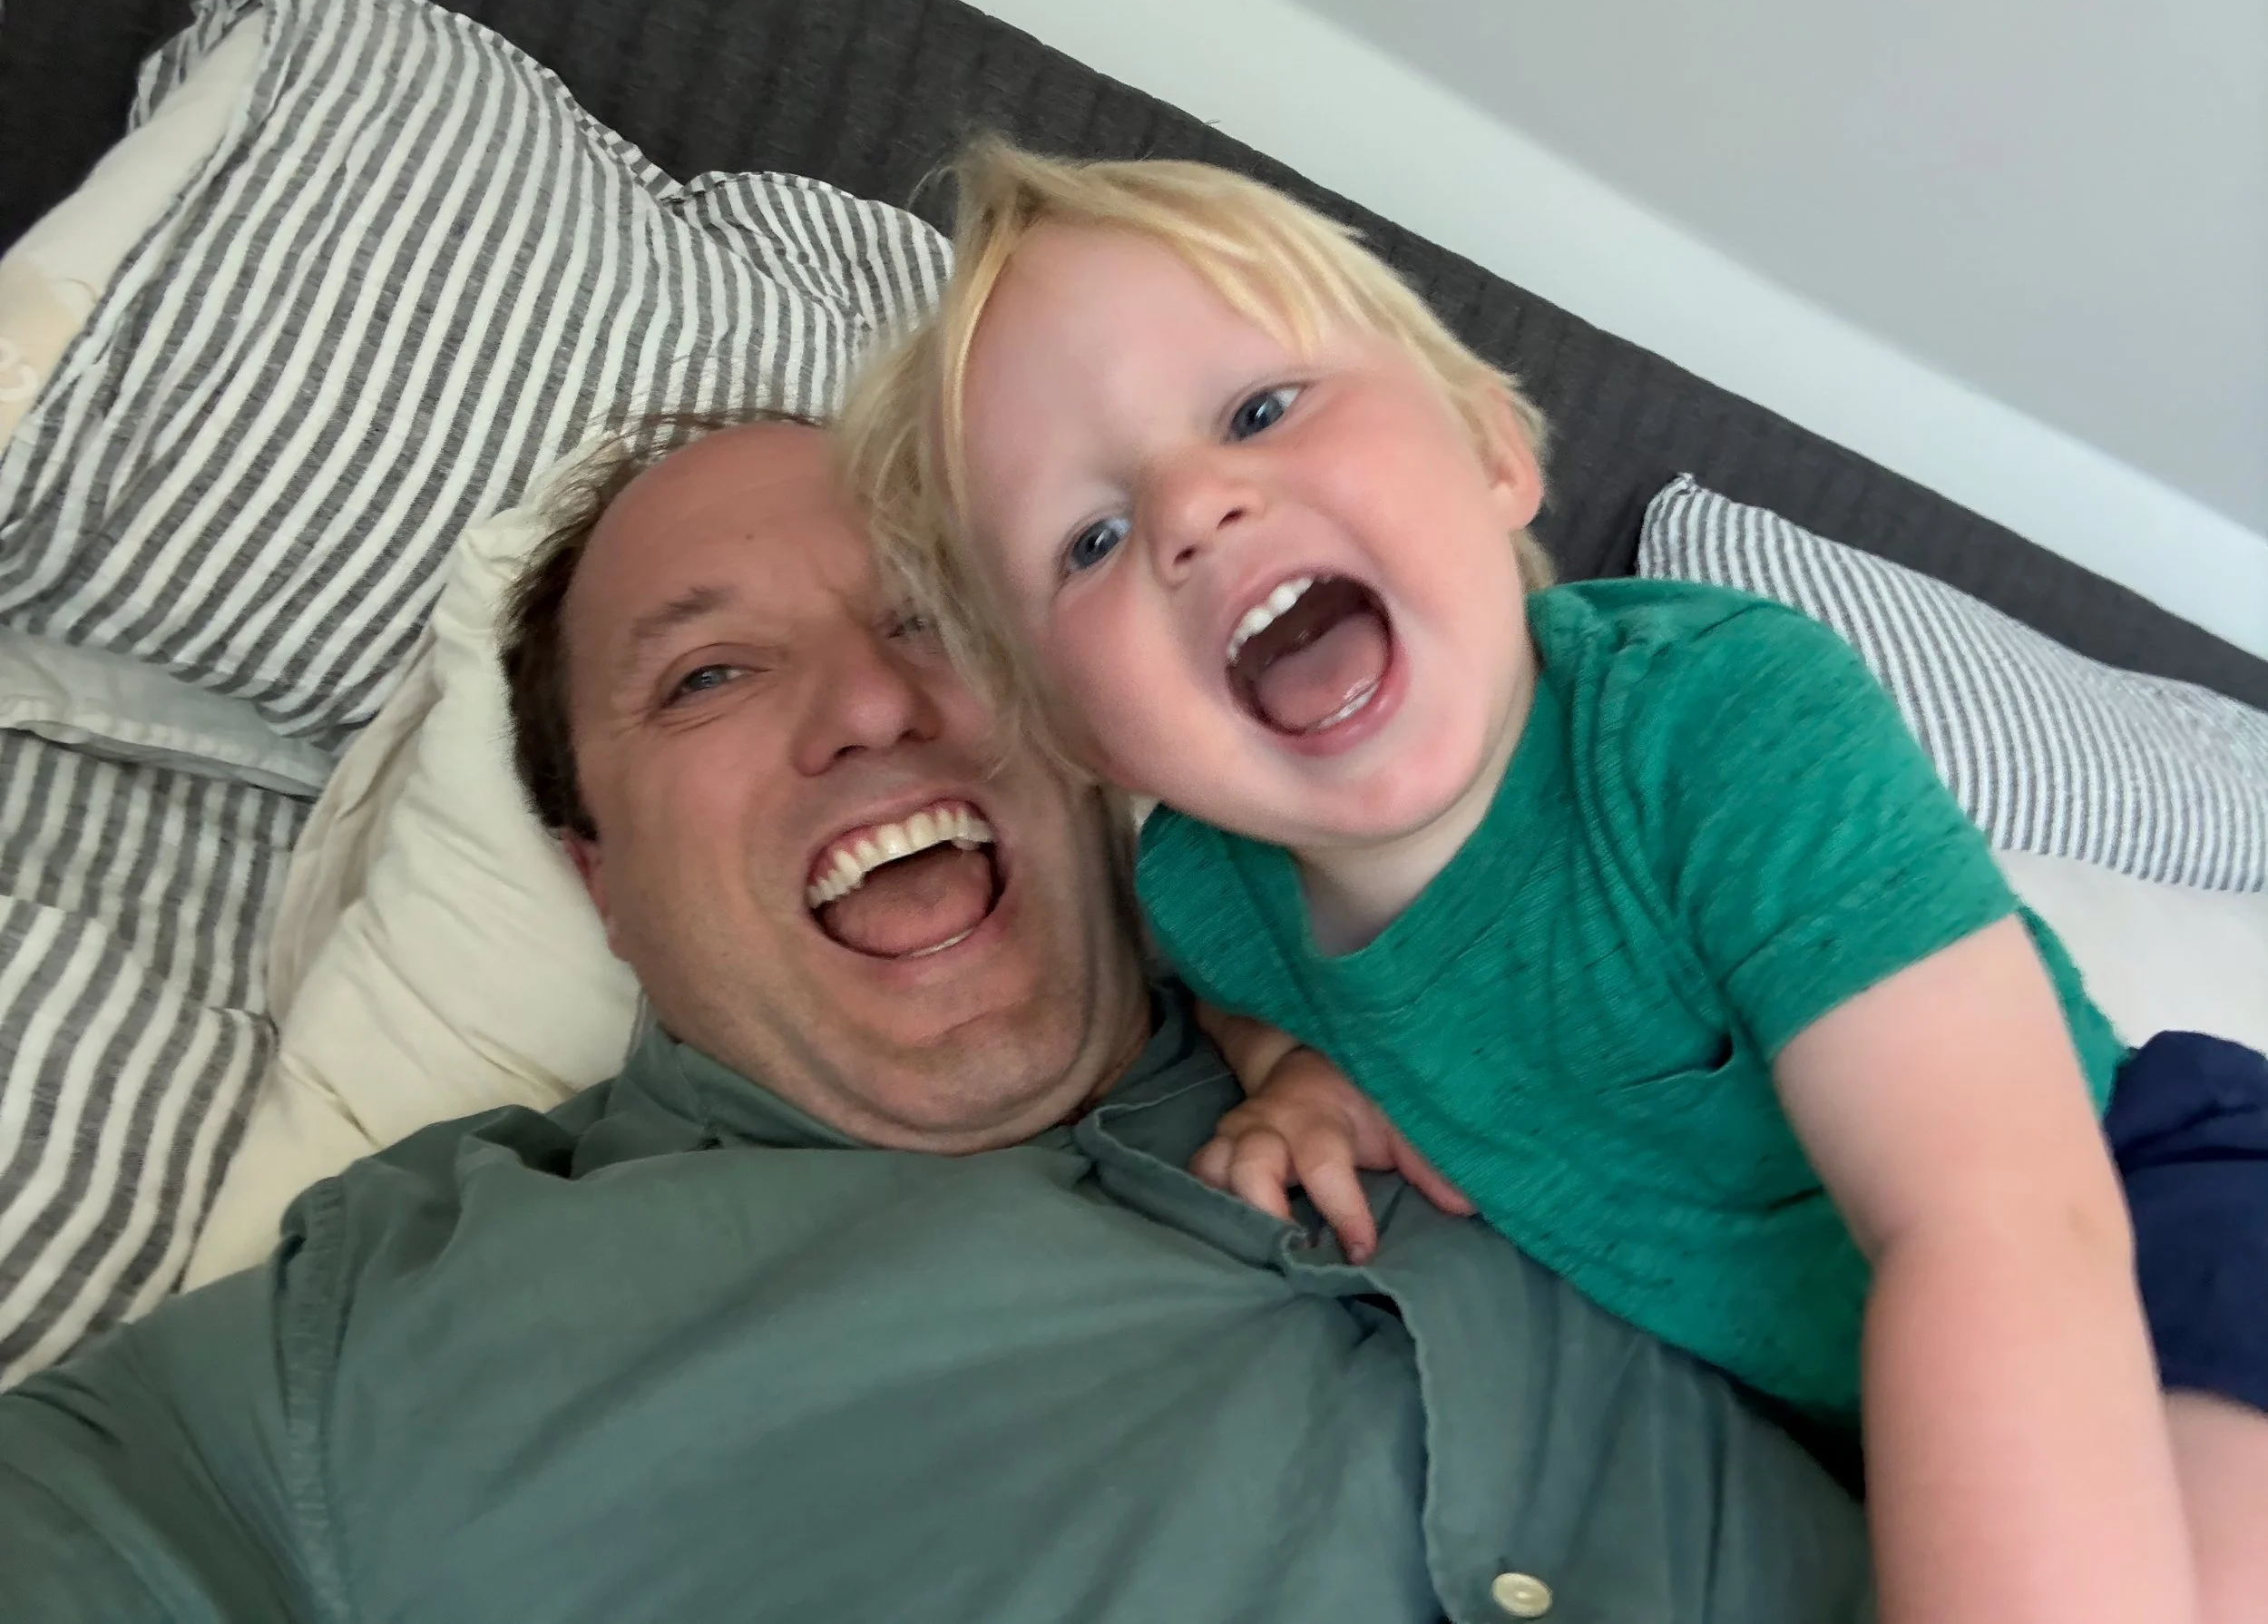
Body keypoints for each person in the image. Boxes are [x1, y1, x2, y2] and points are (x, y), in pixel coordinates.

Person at [0, 416, 1873, 1623]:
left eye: (934, 615)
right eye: (712, 671)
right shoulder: (382, 1348)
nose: (870, 708)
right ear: (598, 882)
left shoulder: (1473, 961)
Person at [842, 139, 2268, 1624]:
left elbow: (2000, 1220)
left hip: (2139, 1201)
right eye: (1092, 537)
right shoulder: (1208, 883)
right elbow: (1232, 988)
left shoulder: (1716, 724)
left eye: (1262, 408)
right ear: (1081, 729)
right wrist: (1298, 1072)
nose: (1194, 505)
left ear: (1490, 451)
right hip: (1824, 1378)